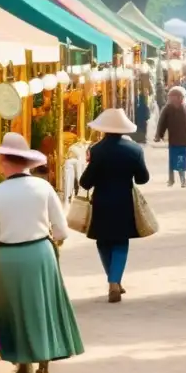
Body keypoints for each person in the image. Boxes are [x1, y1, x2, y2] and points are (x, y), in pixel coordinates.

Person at [0, 133, 83, 373]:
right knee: (43, 308)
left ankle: (23, 369)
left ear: (4, 162)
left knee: (14, 311)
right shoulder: (43, 188)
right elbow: (61, 230)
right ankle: (43, 367)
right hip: (40, 253)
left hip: (10, 258)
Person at [79, 108, 151, 304]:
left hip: (101, 202)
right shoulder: (135, 150)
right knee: (120, 242)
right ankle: (114, 281)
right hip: (124, 202)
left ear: (103, 129)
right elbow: (143, 178)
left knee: (103, 241)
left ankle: (113, 281)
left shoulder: (96, 150)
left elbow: (85, 182)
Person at [155, 85, 186, 187]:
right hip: (177, 140)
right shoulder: (172, 108)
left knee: (178, 159)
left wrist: (159, 135)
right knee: (177, 159)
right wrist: (159, 135)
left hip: (179, 140)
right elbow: (162, 123)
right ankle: (175, 179)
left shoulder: (183, 108)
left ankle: (180, 180)